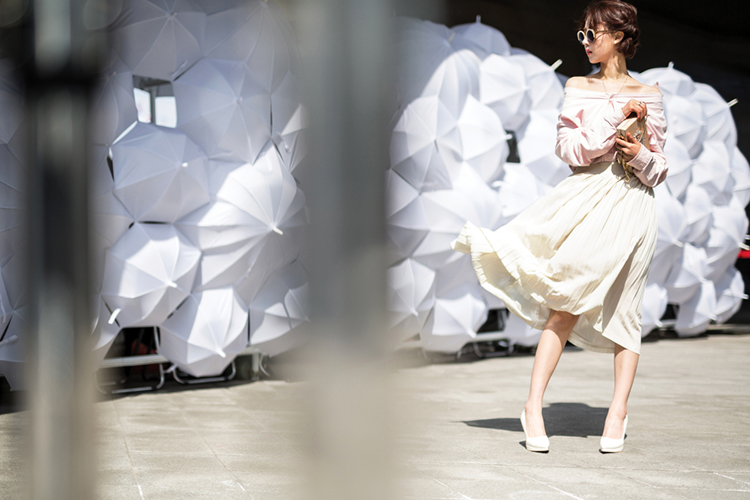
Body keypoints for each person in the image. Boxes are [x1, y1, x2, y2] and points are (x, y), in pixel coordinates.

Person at [450, 0, 668, 453]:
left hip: (634, 205)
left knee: (627, 311)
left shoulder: (651, 93)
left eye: (593, 34)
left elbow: (660, 167)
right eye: (582, 34)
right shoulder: (577, 87)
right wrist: (615, 119)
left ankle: (617, 412)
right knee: (565, 300)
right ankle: (533, 406)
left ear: (619, 37)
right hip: (587, 199)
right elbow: (569, 151)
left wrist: (640, 155)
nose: (585, 42)